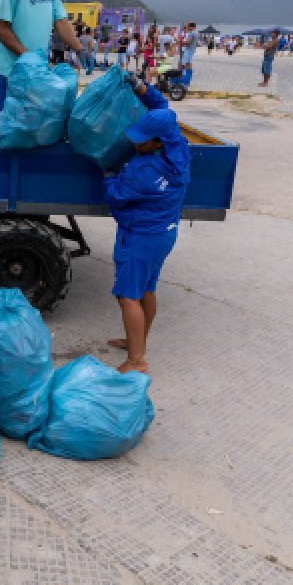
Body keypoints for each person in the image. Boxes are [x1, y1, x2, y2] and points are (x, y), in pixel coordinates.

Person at [102, 73, 190, 374]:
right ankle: (136, 341)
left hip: (141, 237)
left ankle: (137, 359)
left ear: (156, 142)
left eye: (141, 141)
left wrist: (109, 175)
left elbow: (116, 196)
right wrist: (141, 87)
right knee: (147, 289)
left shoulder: (143, 172)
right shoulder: (177, 150)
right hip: (163, 234)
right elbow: (163, 108)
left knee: (127, 296)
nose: (135, 144)